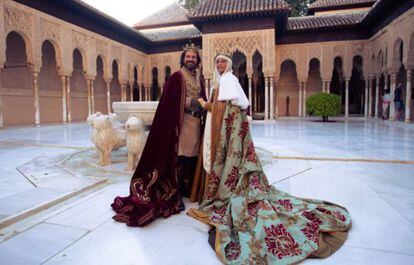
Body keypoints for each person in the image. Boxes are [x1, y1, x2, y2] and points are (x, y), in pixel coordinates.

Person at [188, 52, 351, 264]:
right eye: (216, 61)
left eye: (222, 61)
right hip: (222, 130)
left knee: (232, 170)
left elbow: (228, 108)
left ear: (227, 65)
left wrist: (205, 105)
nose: (219, 64)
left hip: (228, 131)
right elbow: (225, 107)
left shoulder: (230, 79)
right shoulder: (221, 81)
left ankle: (227, 192)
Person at [111, 43, 207, 227]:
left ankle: (187, 189)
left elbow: (202, 97)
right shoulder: (177, 77)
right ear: (183, 59)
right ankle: (174, 192)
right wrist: (194, 102)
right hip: (180, 124)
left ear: (197, 60)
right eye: (188, 57)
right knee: (179, 158)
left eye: (193, 57)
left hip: (195, 124)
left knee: (191, 158)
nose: (190, 60)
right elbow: (173, 99)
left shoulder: (199, 78)